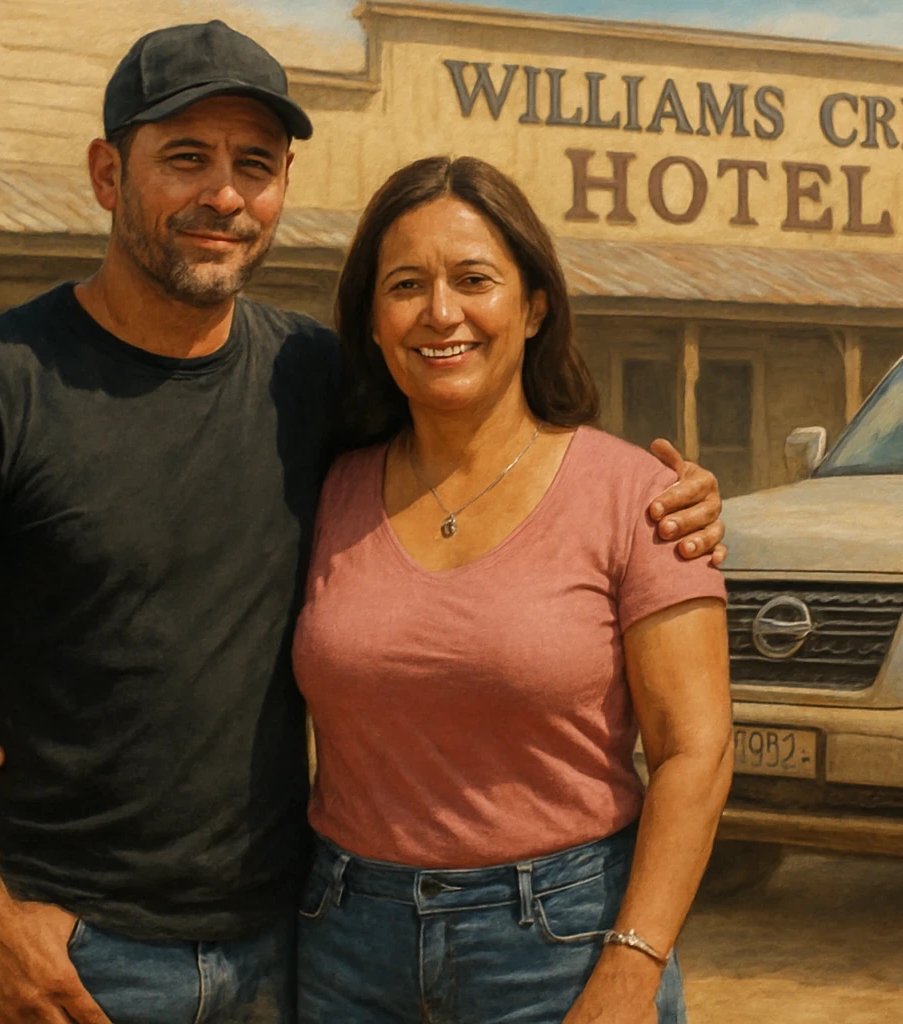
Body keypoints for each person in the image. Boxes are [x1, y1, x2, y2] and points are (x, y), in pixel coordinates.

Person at [0, 20, 728, 1024]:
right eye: (186, 157)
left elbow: (490, 426)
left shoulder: (309, 384)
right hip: (68, 953)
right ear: (105, 173)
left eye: (253, 165)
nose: (223, 193)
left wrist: (669, 497)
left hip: (280, 954)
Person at [291, 156, 732, 1023]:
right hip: (344, 940)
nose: (441, 312)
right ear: (373, 322)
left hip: (563, 942)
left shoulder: (640, 497)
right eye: (406, 285)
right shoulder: (322, 489)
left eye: (474, 280)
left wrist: (632, 968)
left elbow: (697, 752)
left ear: (533, 306)